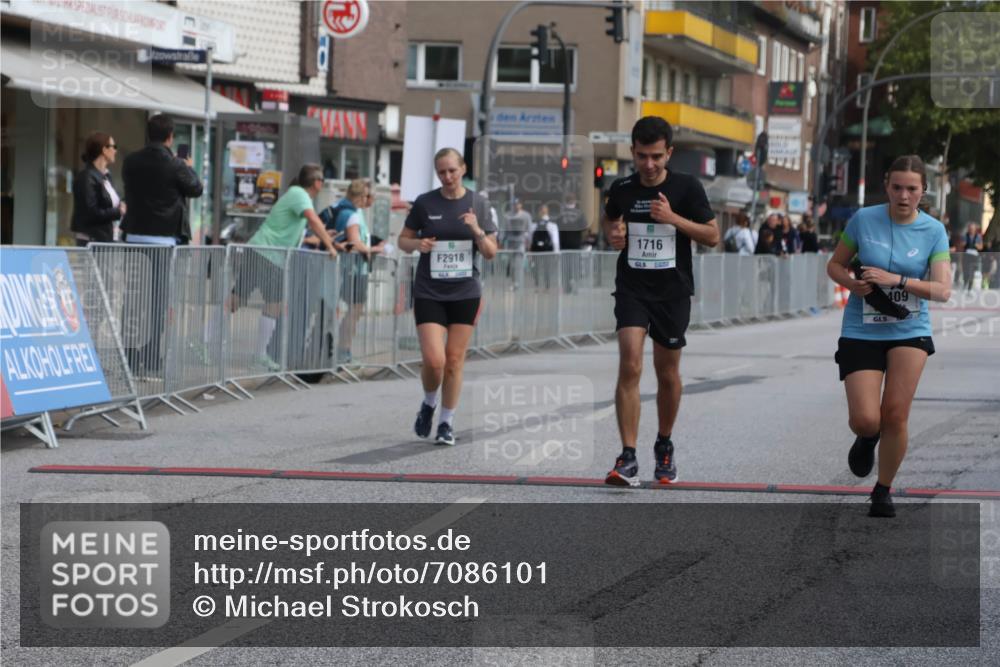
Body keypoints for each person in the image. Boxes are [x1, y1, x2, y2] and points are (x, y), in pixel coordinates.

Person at [826, 155, 951, 518]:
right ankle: (867, 438)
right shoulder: (864, 219)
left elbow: (942, 290)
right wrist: (853, 284)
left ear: (923, 191)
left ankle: (882, 490)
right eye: (897, 187)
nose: (903, 195)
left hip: (909, 329)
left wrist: (895, 280)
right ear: (887, 186)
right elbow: (835, 264)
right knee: (867, 419)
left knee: (895, 415)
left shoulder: (933, 231)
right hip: (861, 329)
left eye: (912, 189)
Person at [602, 116, 719, 487]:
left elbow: (713, 235)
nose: (648, 165)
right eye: (641, 156)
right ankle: (628, 455)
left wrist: (672, 218)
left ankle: (664, 444)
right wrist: (614, 234)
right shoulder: (621, 187)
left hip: (672, 292)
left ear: (669, 152)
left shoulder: (687, 187)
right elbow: (610, 221)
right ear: (632, 152)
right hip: (633, 288)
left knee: (667, 374)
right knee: (630, 364)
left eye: (656, 156)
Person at [398, 148, 498, 446]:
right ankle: (429, 403)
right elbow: (402, 240)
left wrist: (477, 230)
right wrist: (418, 243)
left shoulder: (478, 203)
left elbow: (492, 252)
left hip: (465, 292)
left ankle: (446, 423)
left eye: (452, 170)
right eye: (442, 172)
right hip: (430, 290)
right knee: (434, 360)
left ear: (463, 168)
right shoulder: (426, 203)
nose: (447, 176)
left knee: (454, 361)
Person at [230, 164, 339, 371]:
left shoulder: (297, 194)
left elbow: (292, 230)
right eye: (322, 180)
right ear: (317, 182)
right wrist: (329, 245)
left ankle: (256, 354)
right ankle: (257, 355)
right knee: (267, 303)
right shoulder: (300, 194)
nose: (322, 183)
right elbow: (313, 219)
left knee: (244, 300)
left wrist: (320, 239)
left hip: (267, 253)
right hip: (267, 254)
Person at [120, 114, 203, 375]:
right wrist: (187, 166)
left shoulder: (131, 161)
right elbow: (196, 189)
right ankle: (152, 359)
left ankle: (130, 358)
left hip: (134, 238)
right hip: (163, 242)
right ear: (170, 137)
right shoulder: (175, 165)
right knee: (157, 302)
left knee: (134, 300)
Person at [306, 179, 384, 364]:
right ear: (362, 197)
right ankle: (342, 352)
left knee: (327, 310)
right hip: (352, 269)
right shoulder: (353, 214)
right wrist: (373, 250)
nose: (370, 201)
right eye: (369, 197)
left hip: (331, 266)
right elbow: (355, 241)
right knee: (354, 310)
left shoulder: (337, 206)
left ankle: (324, 354)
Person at [71, 131, 125, 246]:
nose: (115, 150)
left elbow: (107, 204)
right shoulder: (86, 177)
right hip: (91, 241)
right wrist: (118, 211)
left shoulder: (106, 176)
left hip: (105, 239)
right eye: (113, 146)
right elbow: (91, 213)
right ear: (104, 150)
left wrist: (121, 205)